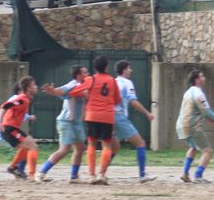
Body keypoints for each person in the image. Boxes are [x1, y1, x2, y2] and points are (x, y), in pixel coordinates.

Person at [66, 55, 121, 185]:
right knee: (106, 145)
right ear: (107, 67)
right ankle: (102, 174)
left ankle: (92, 175)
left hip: (92, 115)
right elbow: (117, 100)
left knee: (91, 144)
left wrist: (86, 95)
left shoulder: (91, 79)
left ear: (95, 68)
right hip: (107, 116)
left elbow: (72, 92)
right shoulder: (112, 80)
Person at [36, 65, 90, 183]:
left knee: (80, 148)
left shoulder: (85, 85)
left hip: (76, 123)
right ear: (78, 75)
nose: (88, 74)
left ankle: (74, 177)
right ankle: (41, 173)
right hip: (66, 122)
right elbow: (61, 91)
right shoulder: (73, 85)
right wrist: (52, 91)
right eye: (85, 73)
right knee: (64, 150)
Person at [176, 68, 214, 183]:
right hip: (193, 126)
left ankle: (185, 173)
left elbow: (196, 110)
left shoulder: (188, 92)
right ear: (197, 80)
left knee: (193, 147)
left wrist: (208, 118)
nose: (204, 78)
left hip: (181, 125)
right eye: (202, 76)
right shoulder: (198, 93)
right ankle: (198, 176)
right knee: (208, 151)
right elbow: (206, 111)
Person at [108, 60, 156, 183]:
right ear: (124, 70)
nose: (131, 70)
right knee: (140, 143)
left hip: (108, 117)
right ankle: (142, 175)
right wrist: (147, 113)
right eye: (129, 68)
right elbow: (133, 102)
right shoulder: (127, 83)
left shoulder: (113, 81)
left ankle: (101, 173)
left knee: (114, 148)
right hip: (119, 116)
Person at [0, 76, 41, 179]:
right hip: (9, 129)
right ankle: (32, 176)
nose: (36, 87)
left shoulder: (25, 99)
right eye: (34, 85)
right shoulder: (22, 99)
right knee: (33, 146)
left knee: (27, 146)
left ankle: (13, 167)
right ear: (28, 88)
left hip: (12, 128)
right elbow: (4, 106)